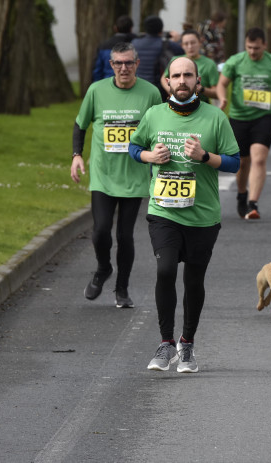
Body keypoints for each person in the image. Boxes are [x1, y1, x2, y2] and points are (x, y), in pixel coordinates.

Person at [128, 56, 240, 373]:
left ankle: (186, 344)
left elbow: (234, 162)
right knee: (165, 271)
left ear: (198, 82)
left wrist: (205, 156)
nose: (181, 81)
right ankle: (165, 344)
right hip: (163, 211)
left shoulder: (215, 118)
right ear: (167, 81)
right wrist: (150, 155)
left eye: (187, 75)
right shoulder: (153, 115)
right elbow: (134, 148)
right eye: (175, 76)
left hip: (203, 216)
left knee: (193, 279)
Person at [71, 42, 161, 308]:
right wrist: (76, 155)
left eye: (128, 63)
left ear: (137, 64)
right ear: (111, 65)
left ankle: (122, 289)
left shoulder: (150, 93)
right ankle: (103, 269)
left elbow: (161, 128)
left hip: (134, 176)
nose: (124, 68)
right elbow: (80, 124)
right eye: (118, 63)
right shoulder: (96, 91)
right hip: (103, 174)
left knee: (124, 236)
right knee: (100, 232)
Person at [216, 28, 271, 219]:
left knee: (258, 158)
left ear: (264, 45)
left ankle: (252, 203)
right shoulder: (236, 61)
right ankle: (242, 193)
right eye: (249, 47)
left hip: (264, 117)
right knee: (241, 161)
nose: (252, 51)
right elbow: (221, 83)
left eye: (256, 48)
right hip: (239, 117)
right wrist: (222, 99)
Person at [132, 15, 184, 101]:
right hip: (159, 89)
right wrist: (178, 40)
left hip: (138, 88)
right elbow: (183, 53)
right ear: (161, 29)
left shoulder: (134, 43)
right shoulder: (166, 44)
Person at [159, 30, 219, 104]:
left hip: (200, 106)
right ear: (182, 46)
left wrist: (202, 89)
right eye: (186, 44)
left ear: (200, 43)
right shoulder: (175, 60)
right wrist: (171, 91)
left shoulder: (209, 64)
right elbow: (163, 78)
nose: (190, 46)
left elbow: (217, 92)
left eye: (193, 43)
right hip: (176, 104)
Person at [91, 15, 136, 82]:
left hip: (108, 82)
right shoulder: (137, 44)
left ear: (115, 28)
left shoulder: (104, 46)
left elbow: (97, 70)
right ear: (131, 28)